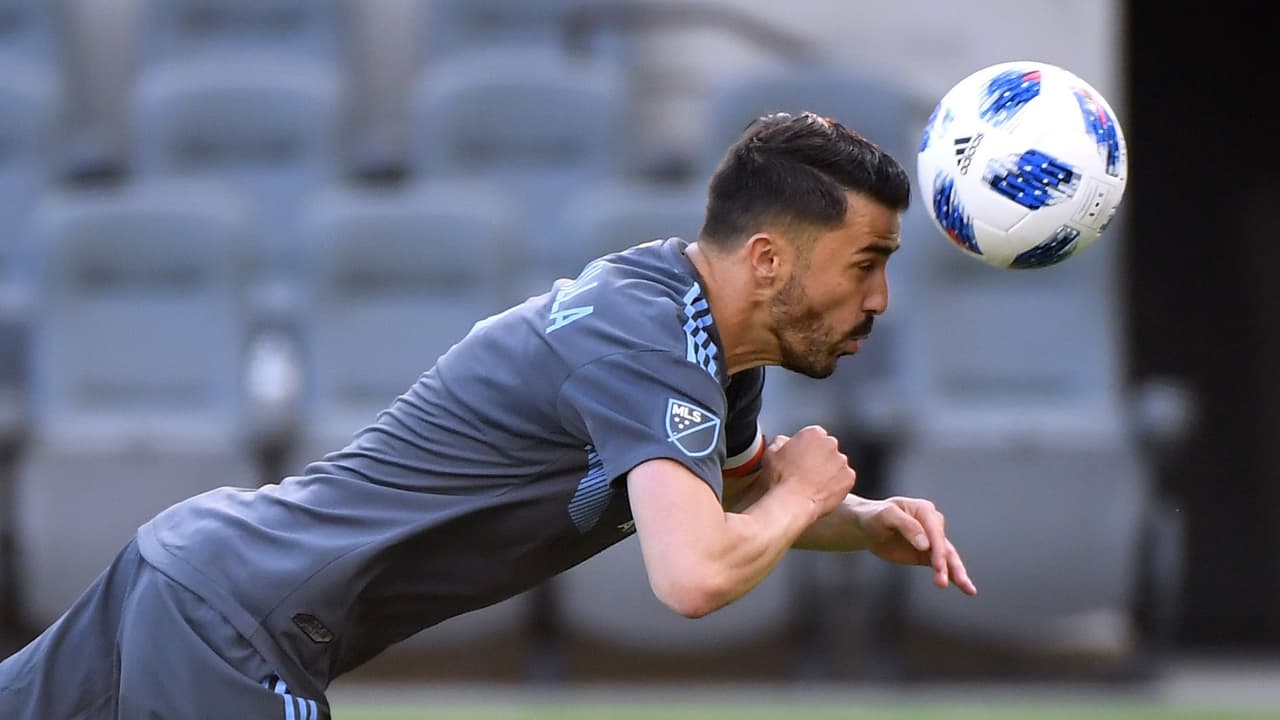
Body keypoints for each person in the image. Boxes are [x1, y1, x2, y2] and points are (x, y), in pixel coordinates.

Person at [0, 111, 976, 718]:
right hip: (233, 628)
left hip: (190, 581)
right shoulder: (652, 346)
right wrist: (802, 497)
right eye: (865, 263)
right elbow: (694, 574)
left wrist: (856, 521)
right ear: (766, 260)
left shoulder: (691, 330)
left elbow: (726, 490)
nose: (879, 300)